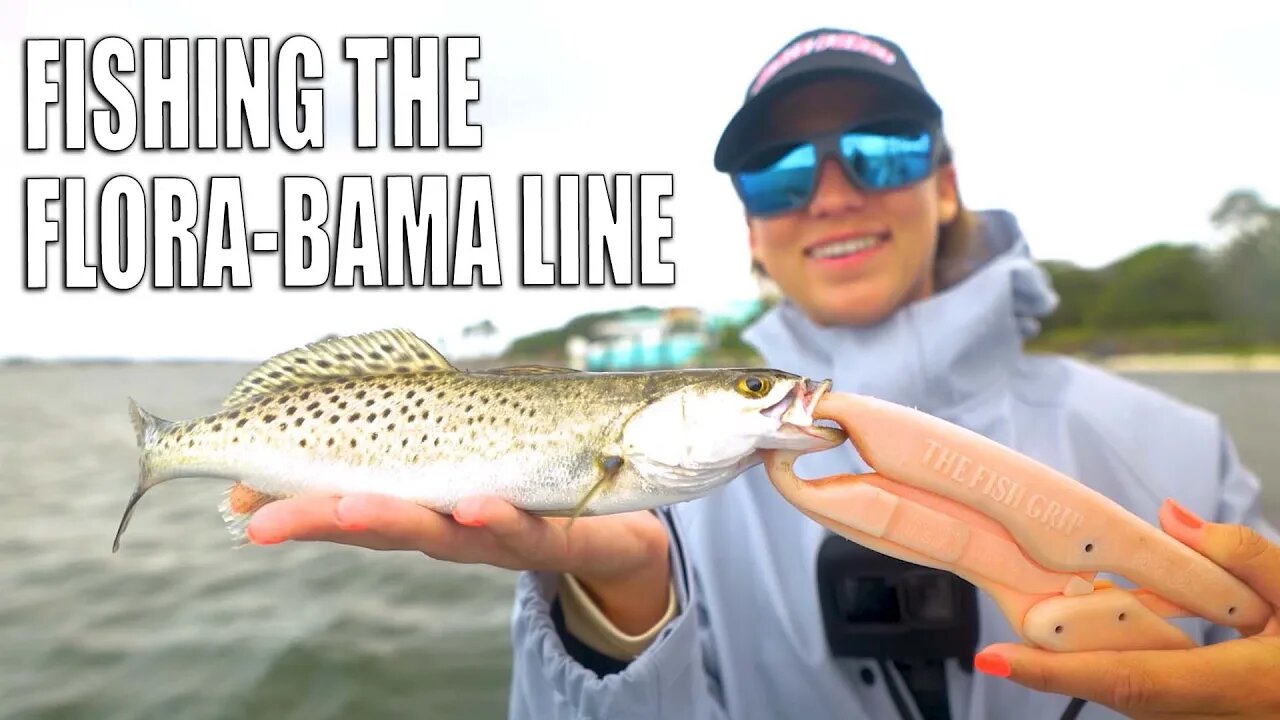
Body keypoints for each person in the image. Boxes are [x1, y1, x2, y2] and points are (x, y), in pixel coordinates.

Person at [246, 27, 1280, 720]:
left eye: (877, 149)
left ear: (944, 179)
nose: (829, 194)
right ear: (749, 224)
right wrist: (614, 610)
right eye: (780, 172)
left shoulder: (1183, 448)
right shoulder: (672, 483)